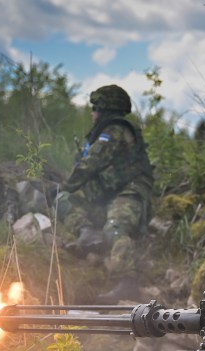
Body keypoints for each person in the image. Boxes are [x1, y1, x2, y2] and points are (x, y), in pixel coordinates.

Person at [58, 84, 154, 303]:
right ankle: (88, 233)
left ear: (104, 109)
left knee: (115, 227)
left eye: (95, 108)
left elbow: (91, 163)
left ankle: (127, 283)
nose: (92, 114)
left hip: (129, 194)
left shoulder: (115, 130)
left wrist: (65, 184)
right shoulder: (104, 132)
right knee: (63, 201)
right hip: (107, 198)